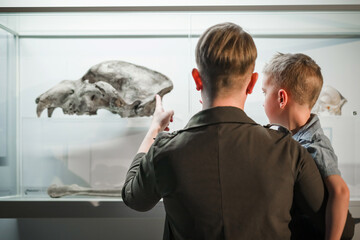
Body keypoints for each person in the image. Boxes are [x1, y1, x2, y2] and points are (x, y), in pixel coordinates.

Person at [122, 22, 329, 239]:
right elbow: (338, 228)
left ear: (197, 79)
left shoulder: (165, 150)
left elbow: (133, 198)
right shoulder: (288, 149)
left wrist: (155, 128)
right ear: (251, 83)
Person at [262, 53, 354, 240]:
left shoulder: (312, 144)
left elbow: (341, 191)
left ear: (281, 98)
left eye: (264, 93)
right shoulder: (293, 138)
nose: (263, 101)